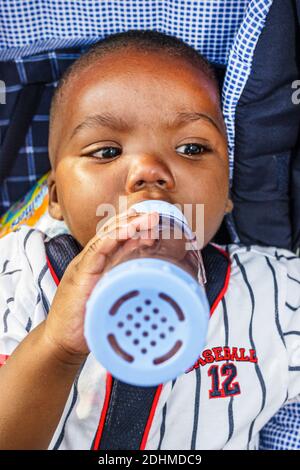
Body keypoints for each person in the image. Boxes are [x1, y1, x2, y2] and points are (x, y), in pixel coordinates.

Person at [0, 30, 299, 450]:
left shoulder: (275, 291)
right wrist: (56, 346)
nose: (148, 169)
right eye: (106, 152)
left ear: (228, 192)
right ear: (56, 197)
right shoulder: (16, 272)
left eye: (192, 147)